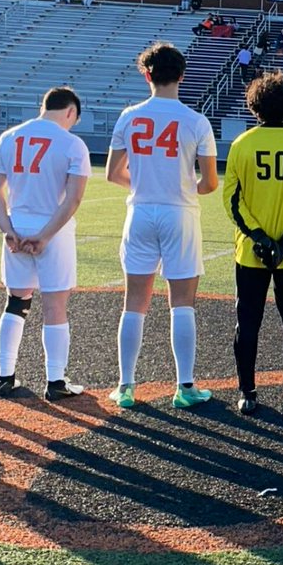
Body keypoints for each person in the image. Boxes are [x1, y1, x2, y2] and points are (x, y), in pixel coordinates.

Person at [105, 43, 220, 409]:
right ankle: (185, 387)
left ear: (147, 75)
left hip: (140, 211)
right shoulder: (196, 121)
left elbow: (113, 173)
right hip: (179, 213)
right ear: (182, 76)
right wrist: (183, 188)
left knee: (134, 302)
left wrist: (146, 186)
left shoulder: (129, 116)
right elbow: (210, 182)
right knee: (182, 302)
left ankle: (125, 386)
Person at [222, 72, 283, 416]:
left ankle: (247, 394)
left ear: (254, 106)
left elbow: (232, 201)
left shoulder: (241, 144)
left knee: (247, 322)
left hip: (250, 254)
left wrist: (260, 238)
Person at [0, 87, 90, 401]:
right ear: (70, 111)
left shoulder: (9, 137)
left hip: (17, 226)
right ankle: (55, 382)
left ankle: (5, 377)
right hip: (54, 231)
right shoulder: (72, 143)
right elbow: (73, 199)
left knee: (16, 302)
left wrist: (7, 229)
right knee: (55, 306)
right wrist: (45, 235)